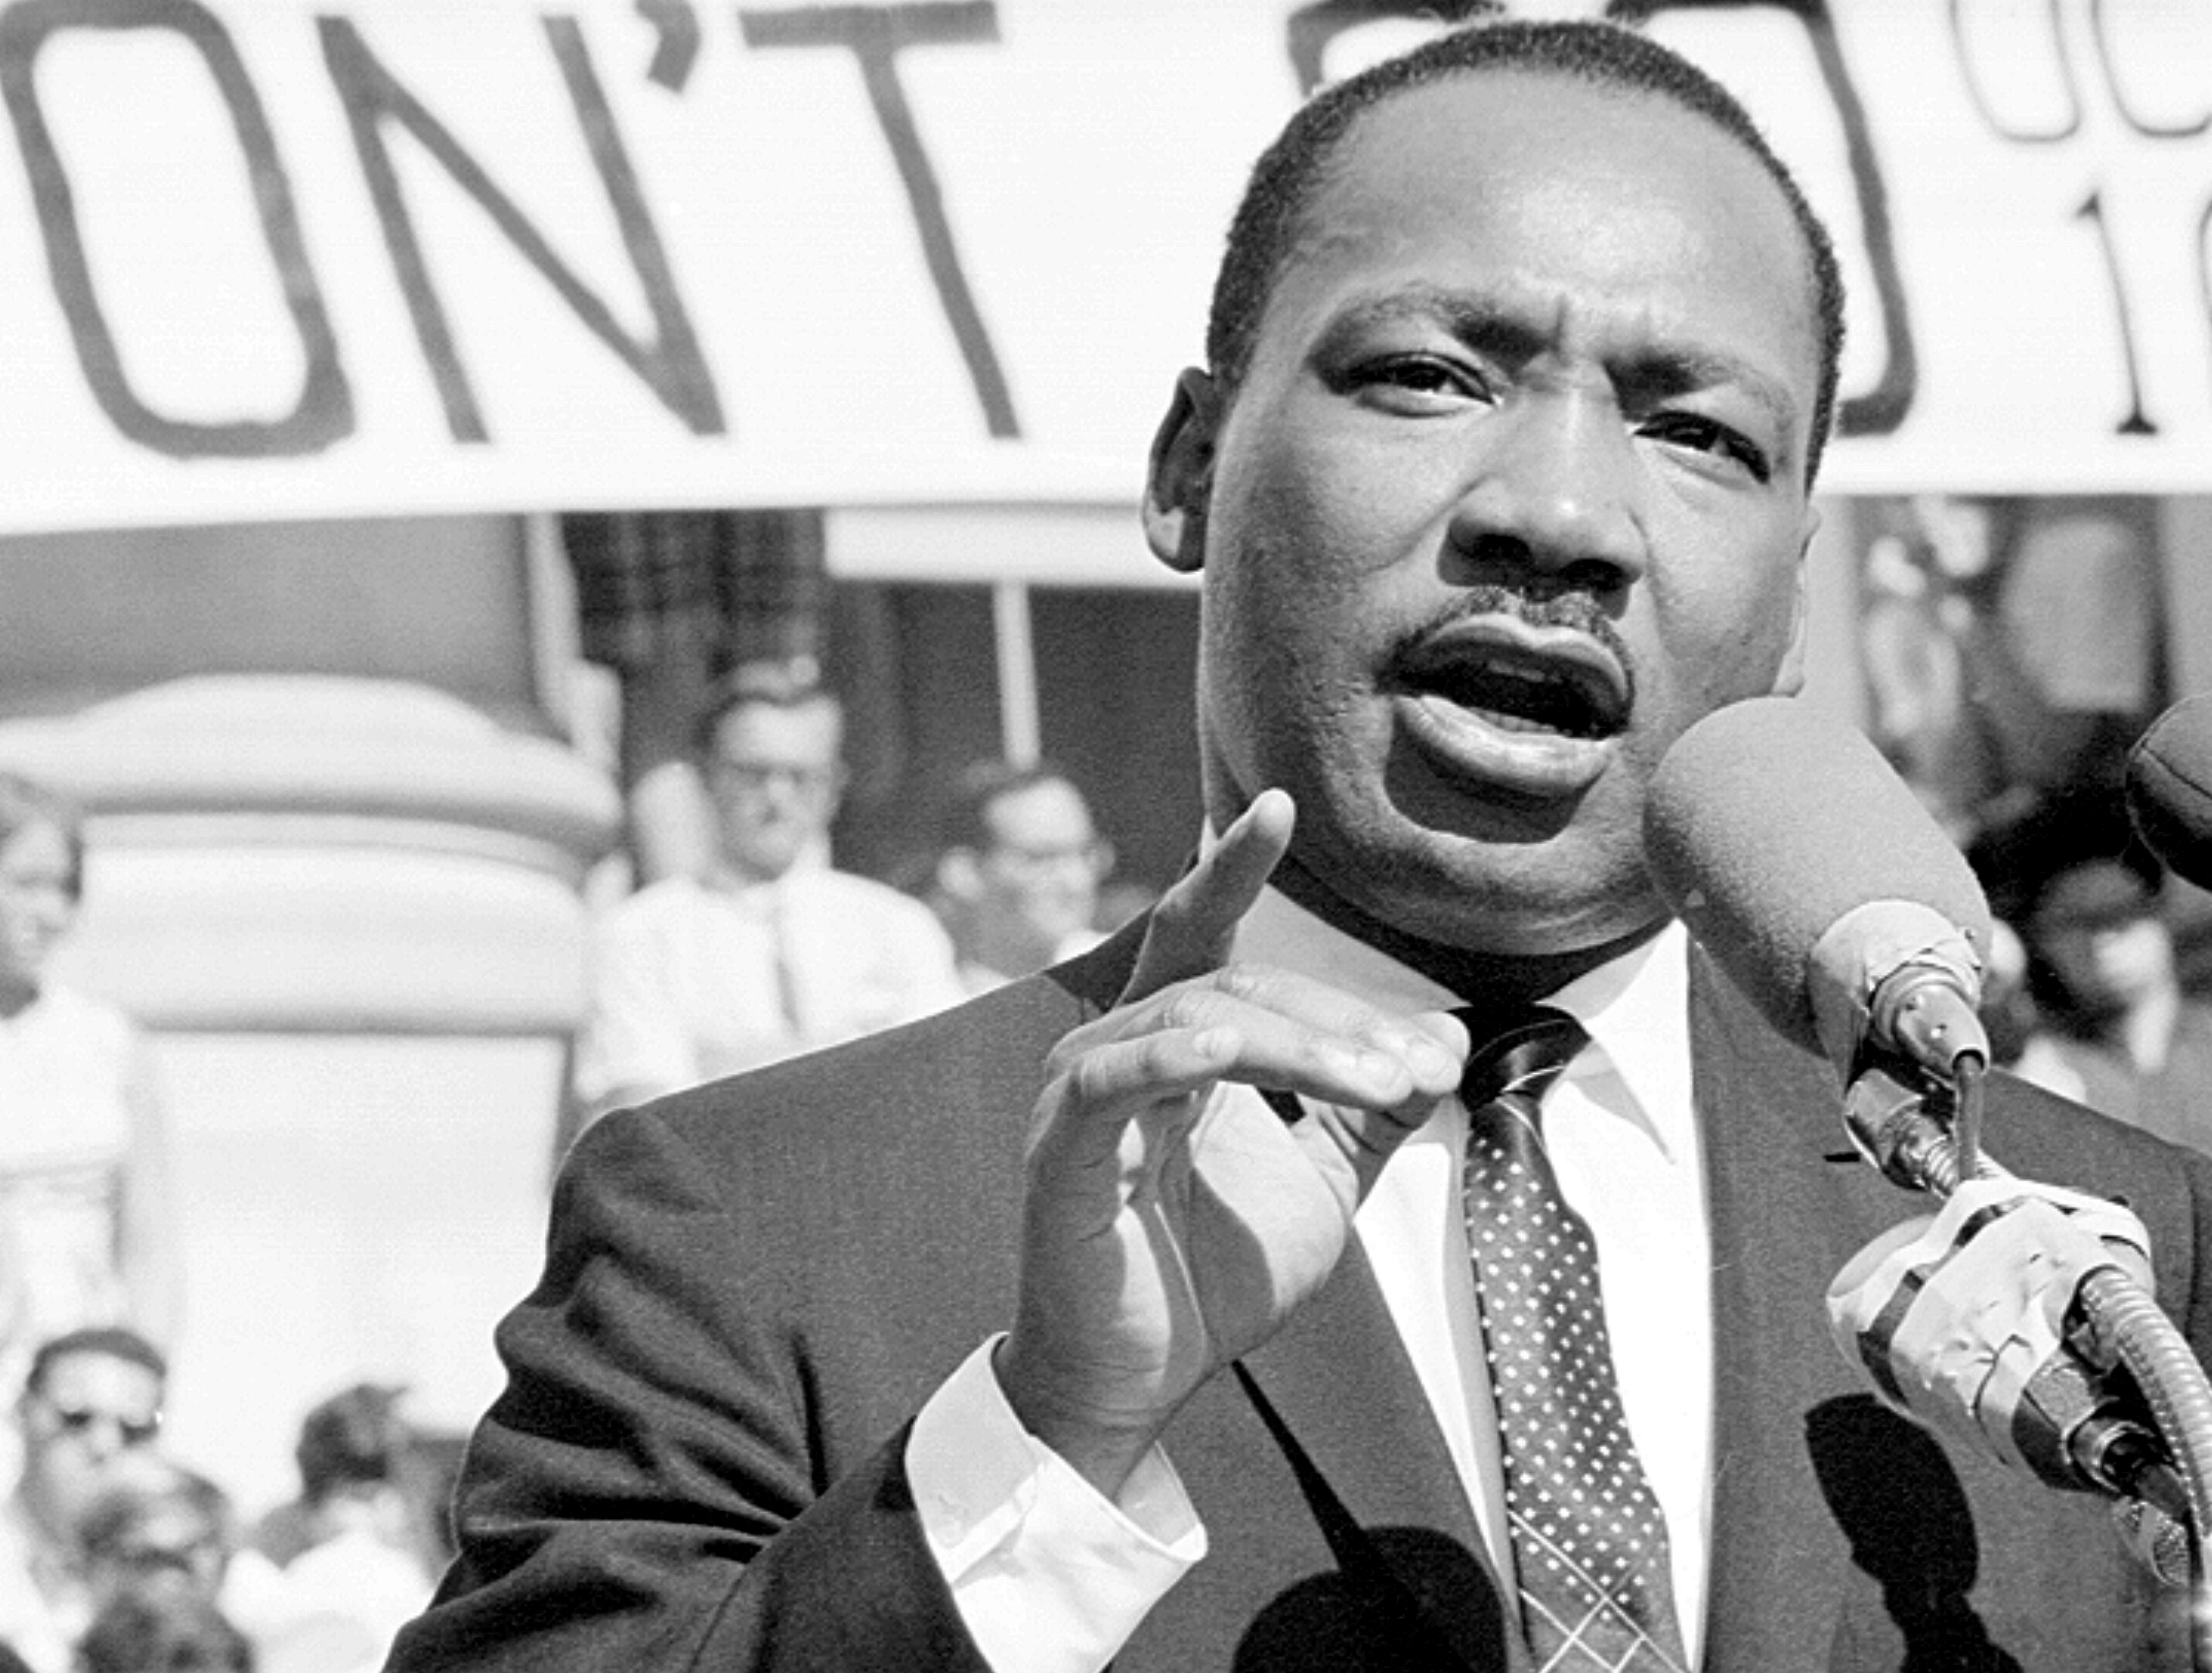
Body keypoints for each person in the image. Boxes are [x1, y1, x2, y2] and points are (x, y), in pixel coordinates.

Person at [390, 19, 2212, 1672]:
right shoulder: (748, 1225)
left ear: (1795, 592)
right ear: (1189, 463)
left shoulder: (2121, 1271)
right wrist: (1036, 1448)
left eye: (1689, 429)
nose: (1559, 512)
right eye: (1430, 375)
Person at [570, 659, 964, 1116]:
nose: (777, 798)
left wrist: (733, 1069)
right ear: (704, 776)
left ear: (834, 788)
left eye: (801, 777)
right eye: (753, 774)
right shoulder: (641, 933)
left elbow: (942, 1090)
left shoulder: (896, 926)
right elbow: (648, 1116)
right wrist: (849, 1065)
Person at [0, 778, 181, 1389]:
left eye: (65, 888)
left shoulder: (107, 1043)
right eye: (26, 884)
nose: (52, 913)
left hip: (83, 1389)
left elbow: (149, 1245)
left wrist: (145, 1383)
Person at [0, 1331, 168, 1673]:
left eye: (135, 1428)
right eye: (75, 1418)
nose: (104, 1444)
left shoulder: (170, 1580)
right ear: (21, 1410)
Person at [931, 761, 1114, 996]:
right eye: (1041, 859)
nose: (1078, 881)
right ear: (965, 874)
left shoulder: (1136, 979)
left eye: (1086, 853)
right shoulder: (918, 1003)